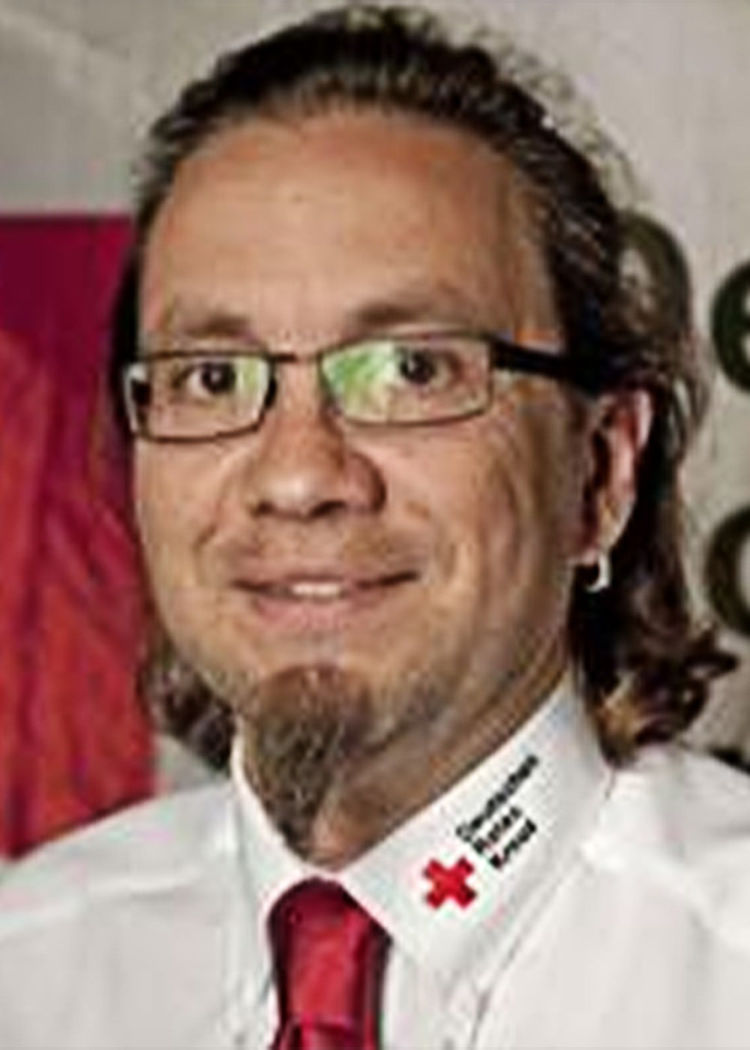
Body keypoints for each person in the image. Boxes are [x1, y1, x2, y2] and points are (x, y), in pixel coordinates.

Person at [0, 6, 747, 1048]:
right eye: (212, 377)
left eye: (413, 369)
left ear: (600, 470)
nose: (300, 476)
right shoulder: (29, 966)